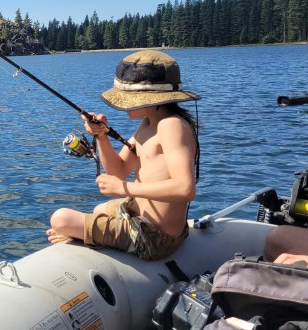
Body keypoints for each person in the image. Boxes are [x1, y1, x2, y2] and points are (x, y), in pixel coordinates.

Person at [46, 50, 200, 261]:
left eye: (129, 97)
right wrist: (101, 135)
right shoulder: (147, 124)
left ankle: (82, 234)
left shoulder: (172, 126)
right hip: (136, 216)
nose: (123, 103)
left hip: (154, 238)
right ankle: (87, 233)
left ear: (152, 97)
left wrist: (123, 188)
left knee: (61, 219)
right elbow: (118, 170)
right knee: (100, 208)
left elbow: (185, 189)